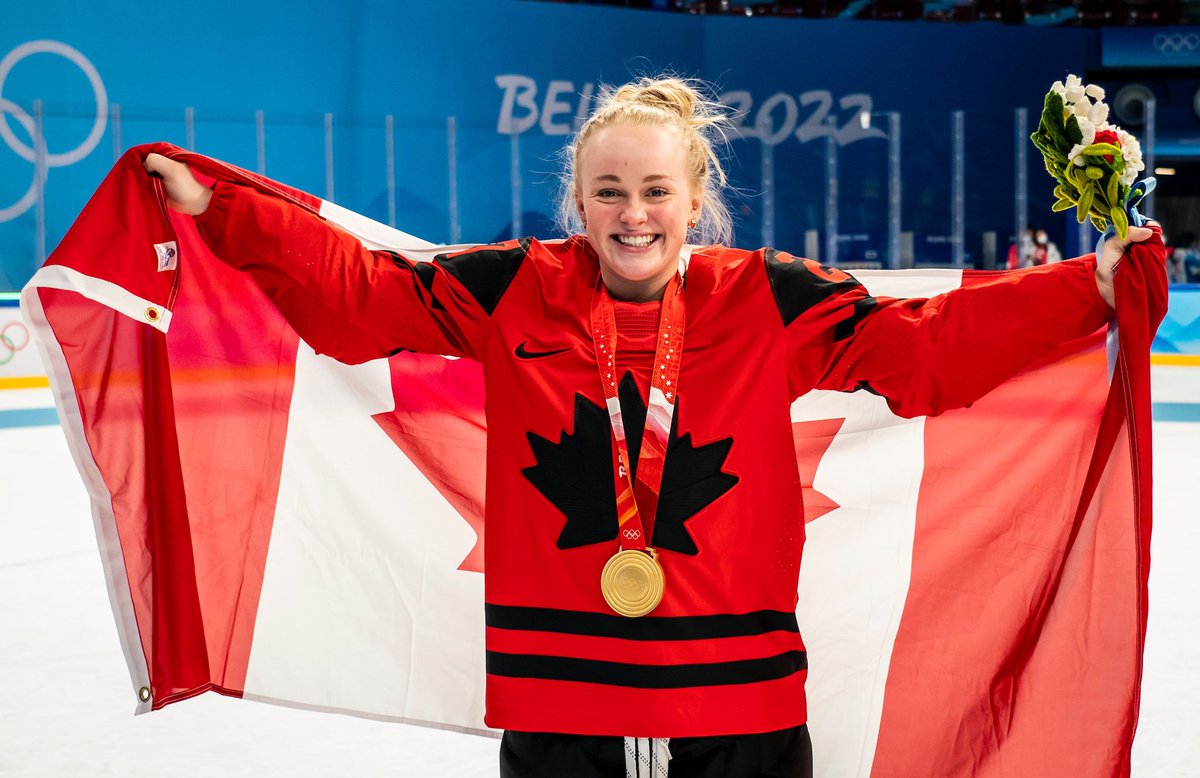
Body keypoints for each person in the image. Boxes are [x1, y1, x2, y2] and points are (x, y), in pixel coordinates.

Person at [143, 76, 1161, 778]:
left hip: (739, 708)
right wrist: (220, 206)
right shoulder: (515, 290)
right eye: (610, 192)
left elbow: (925, 350)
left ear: (695, 198)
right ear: (578, 202)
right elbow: (365, 294)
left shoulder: (769, 298)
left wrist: (1089, 286)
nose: (634, 214)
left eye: (656, 191)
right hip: (563, 706)